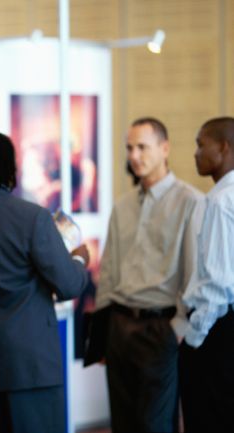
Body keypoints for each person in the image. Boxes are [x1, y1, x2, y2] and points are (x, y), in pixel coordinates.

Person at [0, 131, 89, 433]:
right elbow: (69, 285)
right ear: (11, 167)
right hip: (32, 365)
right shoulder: (32, 217)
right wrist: (79, 259)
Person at [96, 117, 203, 433]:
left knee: (154, 425)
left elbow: (194, 271)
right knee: (123, 423)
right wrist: (103, 333)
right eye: (130, 148)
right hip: (119, 326)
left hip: (160, 328)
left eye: (143, 147)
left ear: (165, 148)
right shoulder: (123, 206)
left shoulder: (191, 201)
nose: (134, 155)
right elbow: (108, 270)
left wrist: (177, 328)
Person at [180, 116, 234, 432]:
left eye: (202, 145)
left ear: (224, 148)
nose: (196, 153)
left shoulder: (220, 200)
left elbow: (218, 283)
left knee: (207, 418)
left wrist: (194, 336)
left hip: (217, 331)